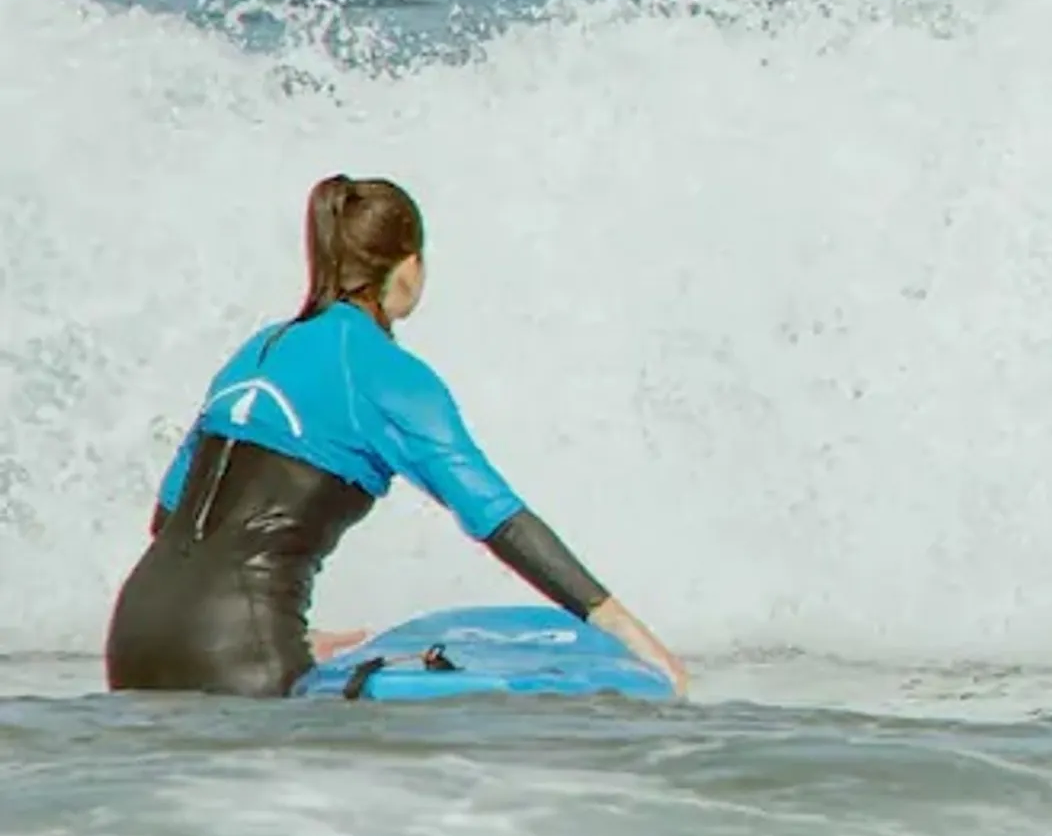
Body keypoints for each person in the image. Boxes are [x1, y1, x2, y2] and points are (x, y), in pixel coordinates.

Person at [107, 171, 686, 701]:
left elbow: (170, 520)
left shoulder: (255, 351)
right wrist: (620, 626)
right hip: (236, 655)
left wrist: (284, 630)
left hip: (135, 635)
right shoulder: (386, 372)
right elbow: (496, 516)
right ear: (408, 267)